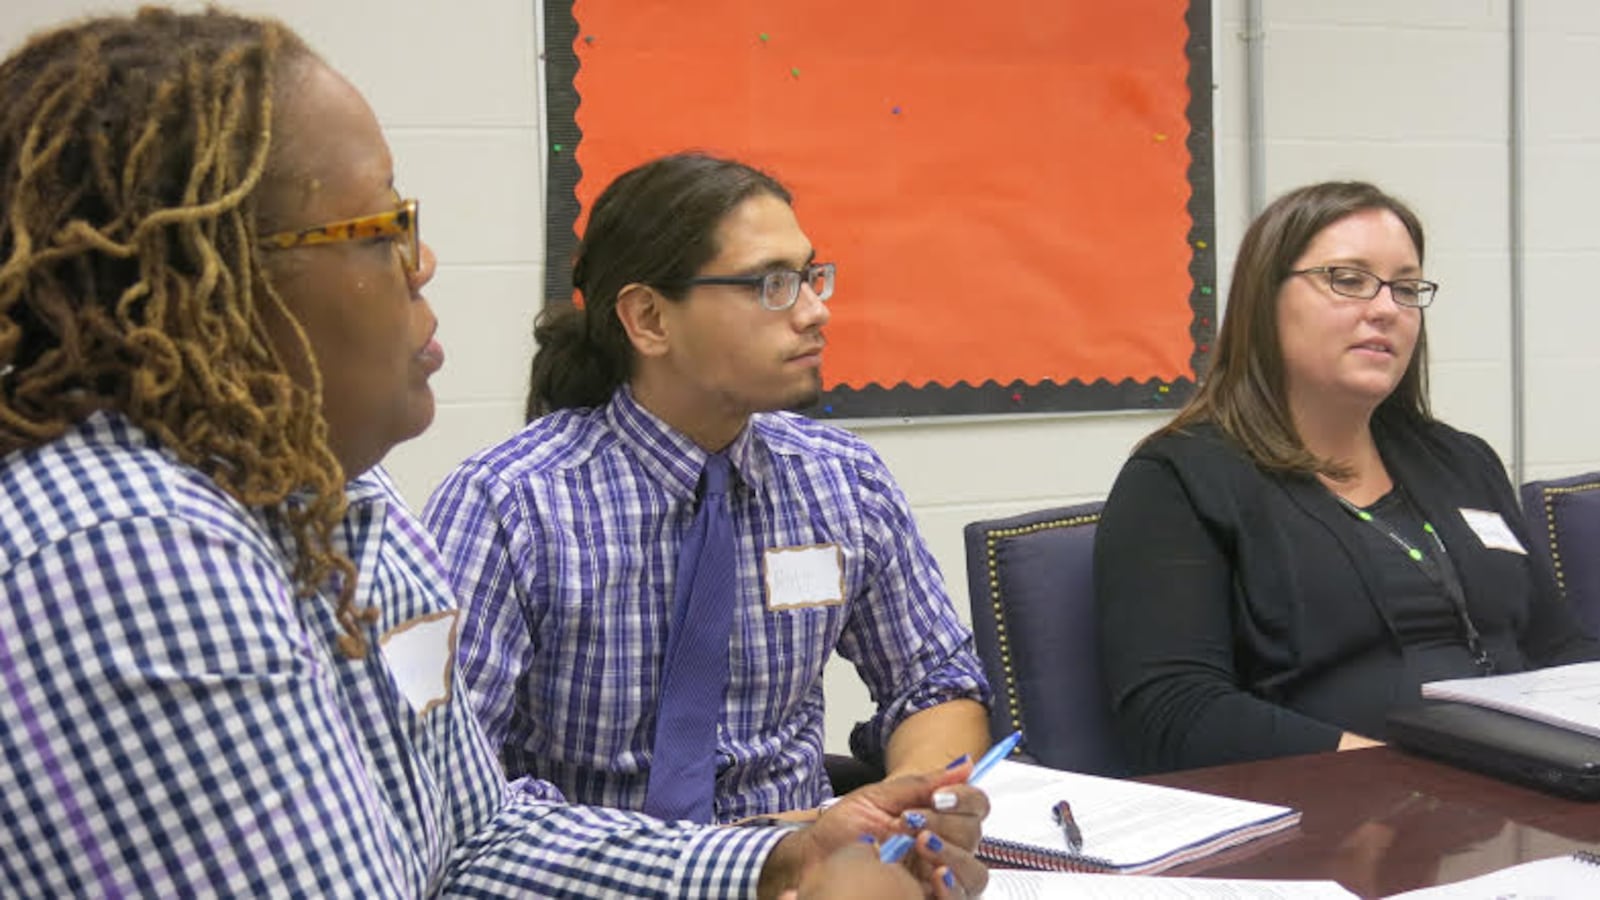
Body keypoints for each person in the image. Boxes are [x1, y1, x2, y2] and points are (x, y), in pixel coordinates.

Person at [0, 9, 990, 897]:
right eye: (380, 224)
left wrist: (779, 863)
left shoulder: (352, 501)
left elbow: (472, 839)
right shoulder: (129, 541)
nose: (423, 261)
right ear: (210, 278)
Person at [424, 153, 991, 824]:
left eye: (810, 277)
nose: (815, 312)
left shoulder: (842, 480)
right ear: (650, 320)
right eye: (771, 284)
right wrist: (743, 862)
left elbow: (937, 682)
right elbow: (446, 785)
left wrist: (899, 812)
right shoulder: (509, 505)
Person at [1094, 180, 1600, 775]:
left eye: (1406, 287)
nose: (1386, 308)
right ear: (1265, 300)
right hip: (1338, 817)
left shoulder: (1462, 461)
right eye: (1348, 280)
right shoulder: (1180, 477)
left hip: (1527, 791)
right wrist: (1401, 775)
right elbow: (1175, 712)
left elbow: (1559, 648)